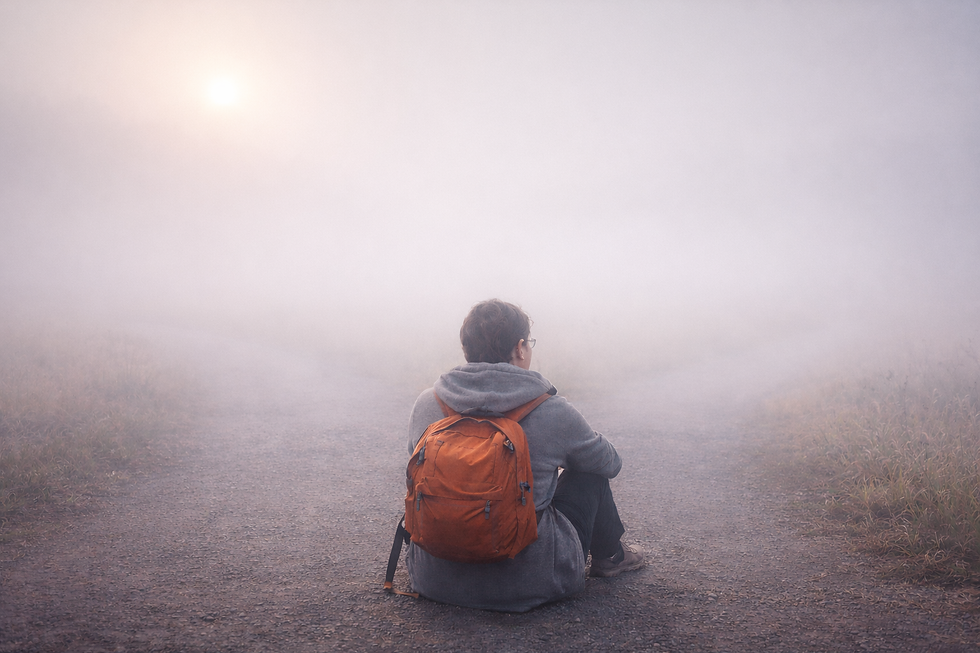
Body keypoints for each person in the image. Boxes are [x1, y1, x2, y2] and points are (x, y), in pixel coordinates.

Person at [405, 299, 644, 612]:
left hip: (433, 579)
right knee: (587, 475)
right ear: (520, 348)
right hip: (532, 580)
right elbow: (609, 463)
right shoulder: (550, 409)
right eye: (528, 343)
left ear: (467, 348)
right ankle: (610, 556)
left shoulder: (428, 403)